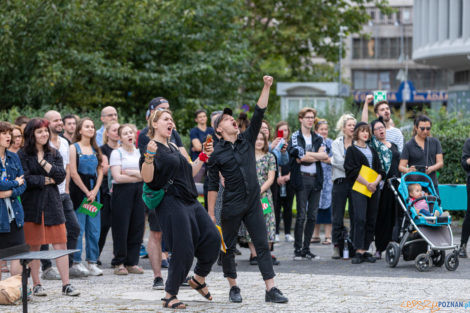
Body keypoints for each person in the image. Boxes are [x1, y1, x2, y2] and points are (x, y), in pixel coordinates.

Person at [208, 76, 288, 304]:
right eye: (225, 119)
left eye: (231, 117)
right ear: (219, 131)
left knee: (262, 244)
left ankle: (270, 289)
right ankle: (233, 286)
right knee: (229, 248)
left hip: (253, 203)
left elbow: (259, 111)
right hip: (231, 205)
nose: (232, 119)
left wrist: (267, 86)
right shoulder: (217, 155)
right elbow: (212, 185)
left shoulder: (247, 140)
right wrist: (211, 213)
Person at [140, 109, 220, 309]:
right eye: (166, 119)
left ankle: (199, 279)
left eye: (172, 119)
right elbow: (147, 177)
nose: (171, 122)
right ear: (155, 124)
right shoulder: (152, 147)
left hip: (190, 200)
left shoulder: (175, 146)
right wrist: (149, 157)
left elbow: (190, 171)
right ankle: (170, 294)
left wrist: (202, 155)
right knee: (183, 248)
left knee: (213, 238)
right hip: (171, 202)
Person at [18, 118, 80, 296]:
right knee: (34, 246)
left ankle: (66, 284)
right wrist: (45, 179)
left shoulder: (53, 153)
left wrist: (43, 163)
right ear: (31, 134)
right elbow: (26, 179)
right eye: (40, 131)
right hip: (32, 205)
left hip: (53, 203)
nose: (44, 134)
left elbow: (60, 176)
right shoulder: (22, 155)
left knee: (61, 243)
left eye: (45, 131)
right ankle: (37, 284)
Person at [42, 111, 83, 278]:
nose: (60, 123)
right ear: (47, 123)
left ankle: (70, 263)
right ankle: (46, 268)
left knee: (74, 228)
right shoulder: (43, 144)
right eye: (56, 120)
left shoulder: (65, 143)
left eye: (60, 120)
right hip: (46, 194)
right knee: (43, 232)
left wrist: (66, 189)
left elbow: (67, 167)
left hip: (63, 194)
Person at [288, 107, 328, 260]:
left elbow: (324, 156)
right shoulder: (295, 136)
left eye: (312, 117)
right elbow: (299, 157)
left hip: (316, 178)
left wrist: (309, 155)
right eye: (307, 117)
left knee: (312, 215)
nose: (310, 120)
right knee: (301, 216)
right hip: (302, 179)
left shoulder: (318, 137)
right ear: (301, 119)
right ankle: (297, 249)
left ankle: (306, 248)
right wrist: (315, 155)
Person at [344, 122, 384, 264]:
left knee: (371, 219)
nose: (365, 134)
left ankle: (366, 249)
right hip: (360, 188)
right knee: (360, 218)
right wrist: (367, 183)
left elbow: (381, 170)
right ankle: (358, 250)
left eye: (367, 131)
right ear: (356, 133)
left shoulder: (372, 150)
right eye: (362, 131)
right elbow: (351, 170)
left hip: (374, 189)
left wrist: (375, 183)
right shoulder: (351, 150)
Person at [69, 118, 104, 276]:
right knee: (79, 228)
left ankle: (92, 262)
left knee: (94, 228)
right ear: (80, 130)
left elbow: (100, 170)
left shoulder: (96, 148)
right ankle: (76, 262)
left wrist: (95, 190)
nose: (91, 129)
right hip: (79, 193)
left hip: (93, 193)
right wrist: (86, 191)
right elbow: (73, 173)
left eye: (92, 126)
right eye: (87, 126)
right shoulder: (74, 148)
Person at [110, 124, 145, 275]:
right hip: (122, 192)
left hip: (139, 191)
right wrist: (138, 175)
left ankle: (132, 261)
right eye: (125, 133)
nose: (129, 135)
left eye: (131, 132)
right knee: (121, 227)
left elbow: (146, 175)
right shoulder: (116, 153)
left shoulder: (139, 152)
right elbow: (117, 177)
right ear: (120, 137)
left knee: (137, 226)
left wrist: (131, 172)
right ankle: (119, 262)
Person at [240, 132, 279, 266]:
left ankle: (265, 255)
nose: (259, 141)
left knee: (267, 222)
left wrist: (259, 191)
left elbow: (271, 178)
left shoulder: (269, 157)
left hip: (263, 198)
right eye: (256, 139)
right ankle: (254, 255)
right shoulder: (246, 157)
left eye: (262, 139)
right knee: (250, 223)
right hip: (248, 196)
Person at [369, 117, 400, 259]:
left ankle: (393, 246)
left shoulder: (393, 145)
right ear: (373, 132)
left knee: (395, 217)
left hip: (396, 185)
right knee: (382, 217)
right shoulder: (373, 146)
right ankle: (379, 248)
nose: (381, 130)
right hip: (381, 185)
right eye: (378, 129)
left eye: (382, 127)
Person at [0, 122, 26, 281]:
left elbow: (24, 183)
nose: (8, 136)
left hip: (14, 214)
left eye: (10, 133)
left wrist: (10, 191)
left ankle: (16, 292)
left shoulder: (13, 156)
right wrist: (15, 183)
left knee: (18, 253)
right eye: (4, 133)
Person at [331, 114, 356, 259]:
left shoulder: (359, 143)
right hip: (340, 182)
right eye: (349, 125)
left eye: (354, 125)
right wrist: (351, 164)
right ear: (343, 128)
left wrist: (348, 163)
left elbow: (358, 163)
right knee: (337, 216)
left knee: (355, 214)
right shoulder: (336, 143)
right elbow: (337, 162)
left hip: (355, 182)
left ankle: (353, 244)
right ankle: (336, 245)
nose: (352, 127)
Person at [399, 115, 443, 190]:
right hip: (415, 186)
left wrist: (431, 168)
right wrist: (408, 170)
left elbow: (440, 162)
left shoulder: (435, 142)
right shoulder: (408, 145)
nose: (425, 131)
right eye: (422, 128)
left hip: (431, 184)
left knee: (434, 201)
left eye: (428, 128)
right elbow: (401, 166)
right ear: (416, 128)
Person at [97, 121, 120, 264]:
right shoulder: (102, 149)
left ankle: (117, 257)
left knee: (119, 226)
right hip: (105, 191)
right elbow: (104, 169)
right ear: (107, 133)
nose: (117, 133)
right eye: (114, 130)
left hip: (120, 191)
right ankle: (95, 255)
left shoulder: (125, 148)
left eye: (119, 130)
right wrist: (119, 166)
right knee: (104, 225)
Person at [311, 119, 333, 245]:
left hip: (329, 179)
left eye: (325, 129)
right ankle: (316, 234)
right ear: (316, 131)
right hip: (315, 177)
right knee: (315, 207)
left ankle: (328, 236)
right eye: (321, 129)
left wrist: (323, 158)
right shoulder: (314, 143)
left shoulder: (331, 143)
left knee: (328, 208)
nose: (324, 131)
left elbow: (332, 159)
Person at [273, 121, 294, 242]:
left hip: (289, 179)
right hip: (275, 179)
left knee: (288, 207)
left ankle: (287, 232)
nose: (284, 132)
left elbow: (294, 162)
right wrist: (276, 177)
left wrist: (289, 176)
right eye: (281, 130)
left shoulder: (291, 145)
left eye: (286, 130)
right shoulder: (273, 145)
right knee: (275, 206)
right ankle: (275, 232)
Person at [459, 138, 470, 258]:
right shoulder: (469, 142)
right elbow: (464, 162)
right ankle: (463, 246)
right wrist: (468, 161)